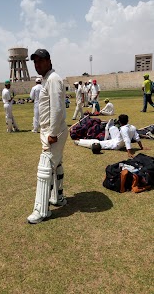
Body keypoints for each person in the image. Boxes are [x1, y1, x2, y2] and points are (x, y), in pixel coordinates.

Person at [27, 49, 68, 224]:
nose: (37, 65)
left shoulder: (53, 79)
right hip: (49, 131)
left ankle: (41, 211)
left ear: (49, 61)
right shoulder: (46, 79)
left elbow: (58, 108)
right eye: (35, 62)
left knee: (44, 168)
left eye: (40, 61)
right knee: (55, 164)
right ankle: (57, 198)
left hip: (54, 132)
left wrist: (51, 133)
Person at [74, 114, 145, 158]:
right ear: (128, 120)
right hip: (118, 138)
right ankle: (109, 127)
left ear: (119, 122)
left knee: (98, 142)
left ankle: (79, 142)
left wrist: (129, 152)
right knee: (113, 128)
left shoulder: (123, 129)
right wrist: (141, 147)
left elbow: (127, 140)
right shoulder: (132, 127)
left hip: (117, 144)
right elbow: (137, 137)